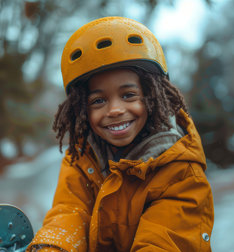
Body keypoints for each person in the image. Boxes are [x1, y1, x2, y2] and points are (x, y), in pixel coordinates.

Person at [27, 17, 214, 251]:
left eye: (128, 95)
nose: (115, 110)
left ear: (152, 96)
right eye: (98, 100)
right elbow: (69, 214)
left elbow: (163, 242)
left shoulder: (182, 172)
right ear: (81, 109)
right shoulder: (81, 160)